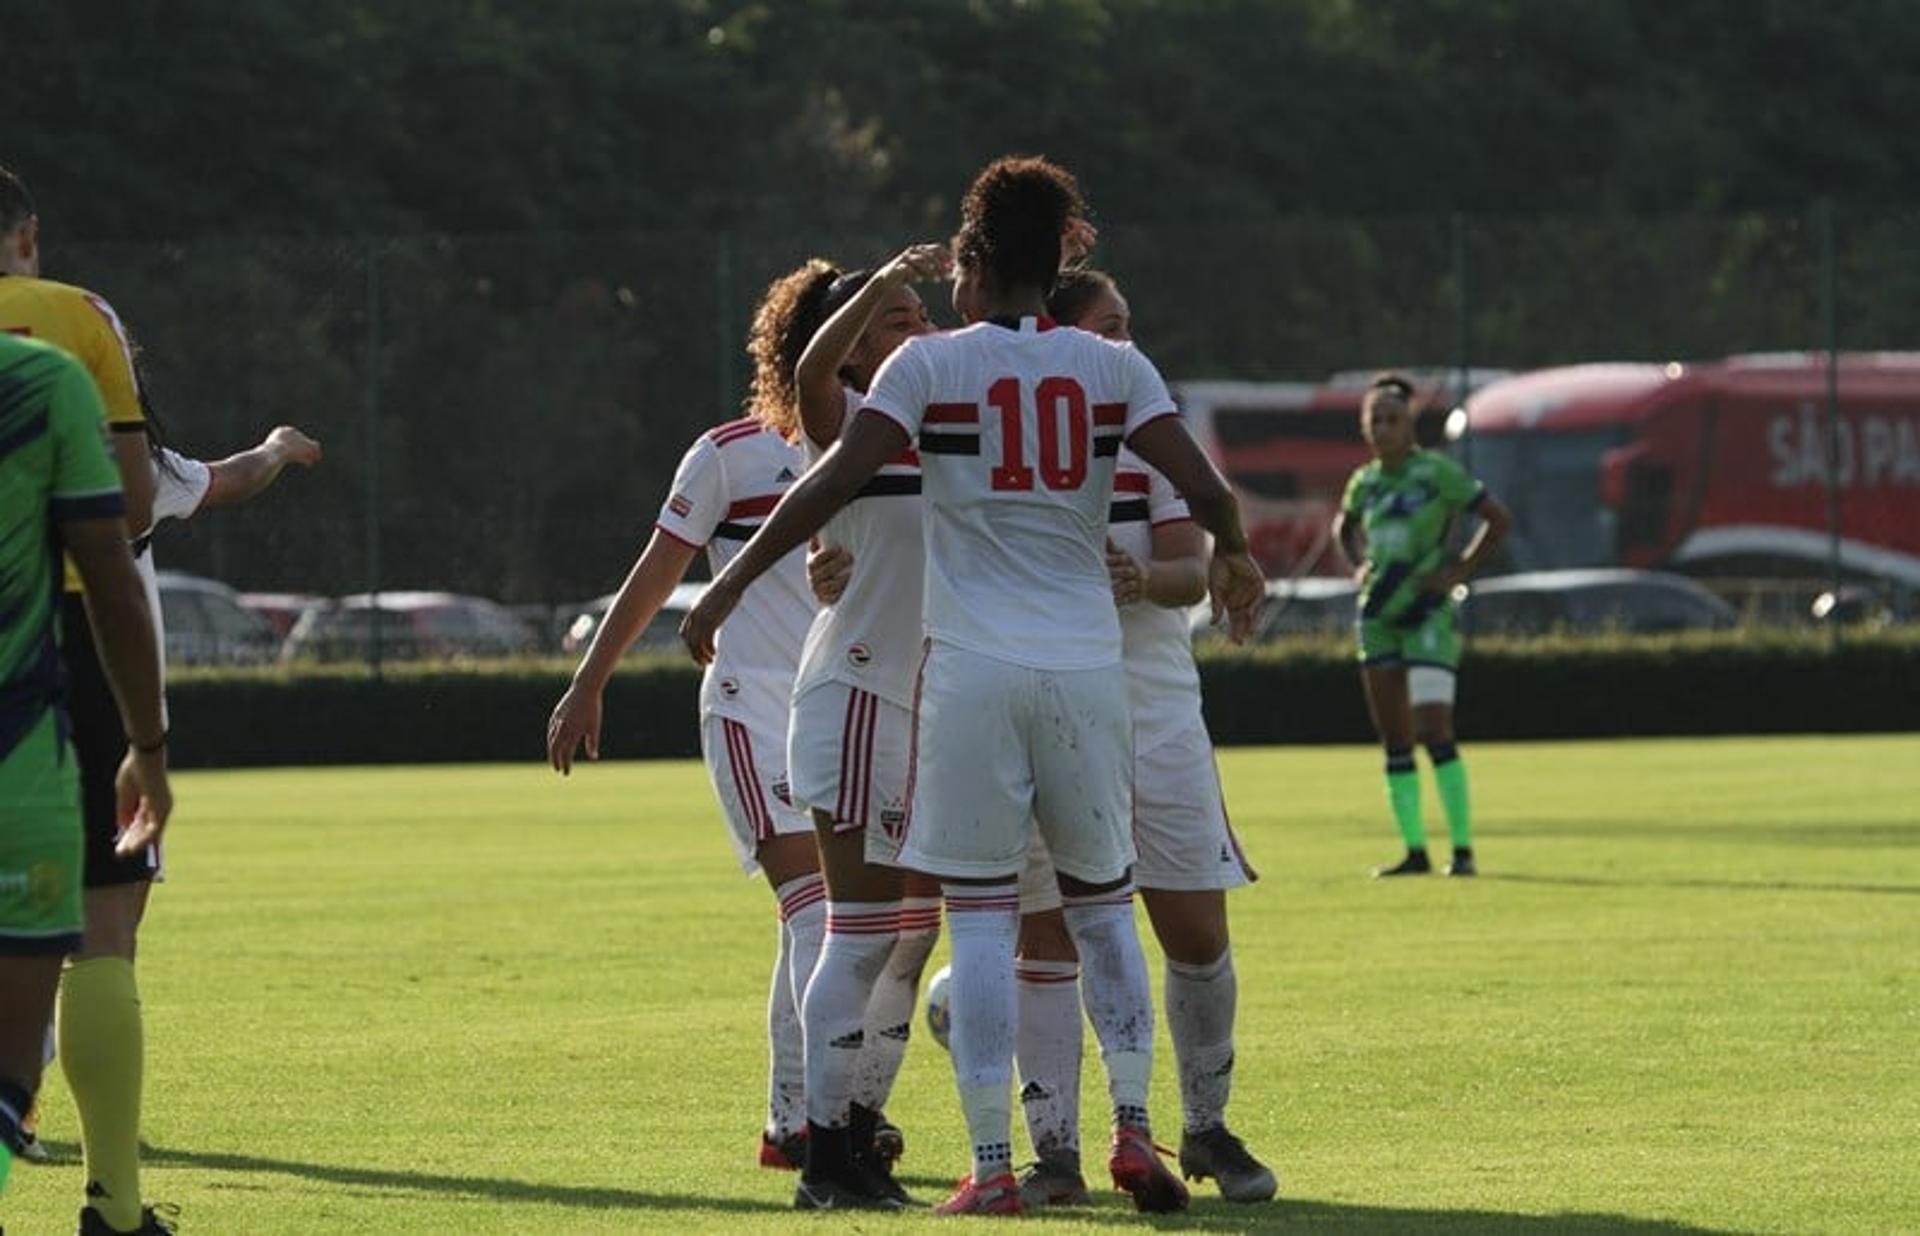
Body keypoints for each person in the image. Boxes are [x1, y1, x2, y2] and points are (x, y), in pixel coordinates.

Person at [681, 155, 1264, 1216]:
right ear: (1061, 260)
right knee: (1101, 915)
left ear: (975, 263)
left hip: (970, 676)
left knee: (980, 921)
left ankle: (992, 1170)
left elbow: (828, 480)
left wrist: (725, 592)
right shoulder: (1114, 368)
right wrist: (1235, 553)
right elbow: (1205, 486)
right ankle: (1136, 1135)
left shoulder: (932, 369)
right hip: (1090, 671)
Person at [546, 261, 826, 1173]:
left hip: (852, 712)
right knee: (816, 912)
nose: (890, 344)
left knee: (863, 928)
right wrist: (590, 682)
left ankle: (832, 1113)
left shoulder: (887, 444)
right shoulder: (729, 454)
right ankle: (800, 1124)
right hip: (751, 709)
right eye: (870, 329)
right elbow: (655, 574)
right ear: (809, 345)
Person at [1006, 269, 1276, 1206]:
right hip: (1046, 706)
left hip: (1154, 705)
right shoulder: (1017, 434)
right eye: (1109, 327)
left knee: (1196, 930)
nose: (1127, 344)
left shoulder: (1152, 439)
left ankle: (1204, 1128)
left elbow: (1189, 570)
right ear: (1063, 343)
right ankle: (1056, 1157)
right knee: (1051, 935)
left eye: (1129, 327)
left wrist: (1140, 579)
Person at [1, 164, 171, 1236]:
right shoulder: (70, 321)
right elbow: (129, 506)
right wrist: (147, 739)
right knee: (102, 932)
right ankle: (112, 1202)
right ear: (25, 233)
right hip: (54, 643)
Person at [780, 244, 951, 1210]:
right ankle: (824, 1157)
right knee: (857, 937)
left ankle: (855, 1135)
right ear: (853, 352)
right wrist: (877, 282)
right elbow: (808, 371)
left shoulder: (941, 423)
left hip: (922, 706)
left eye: (921, 311)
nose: (916, 325)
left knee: (901, 937)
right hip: (854, 695)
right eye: (897, 317)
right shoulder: (844, 418)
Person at [1331, 373, 1512, 878]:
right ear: (1366, 429)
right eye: (1376, 420)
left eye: (1394, 419)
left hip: (1427, 617)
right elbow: (1342, 527)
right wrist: (1357, 562)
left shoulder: (1436, 474)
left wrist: (1458, 570)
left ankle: (1463, 851)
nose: (1384, 428)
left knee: (1435, 729)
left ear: (1410, 426)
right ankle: (1414, 852)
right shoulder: (1364, 482)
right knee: (1394, 739)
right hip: (1378, 618)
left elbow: (1497, 519)